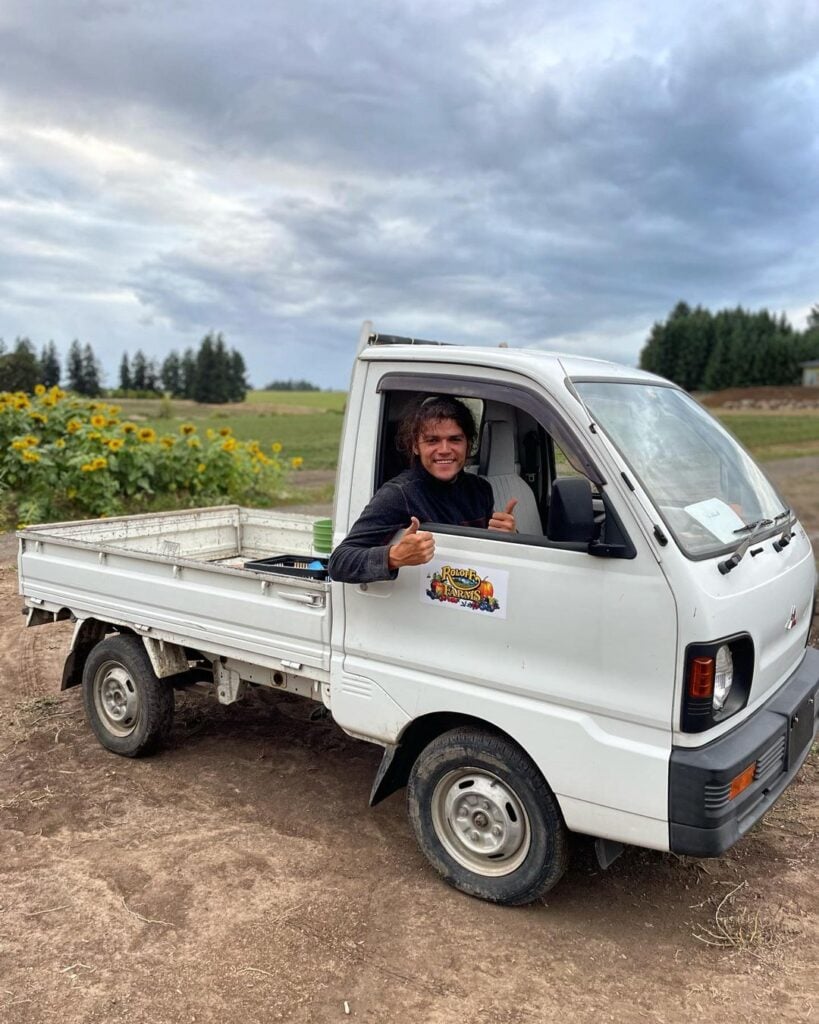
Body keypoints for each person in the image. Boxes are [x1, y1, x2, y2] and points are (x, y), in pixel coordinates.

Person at [328, 395, 517, 583]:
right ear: (415, 447)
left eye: (455, 439)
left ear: (468, 445)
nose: (444, 449)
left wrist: (506, 538)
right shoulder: (399, 494)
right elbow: (339, 563)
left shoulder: (480, 489)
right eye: (432, 440)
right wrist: (394, 557)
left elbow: (482, 555)